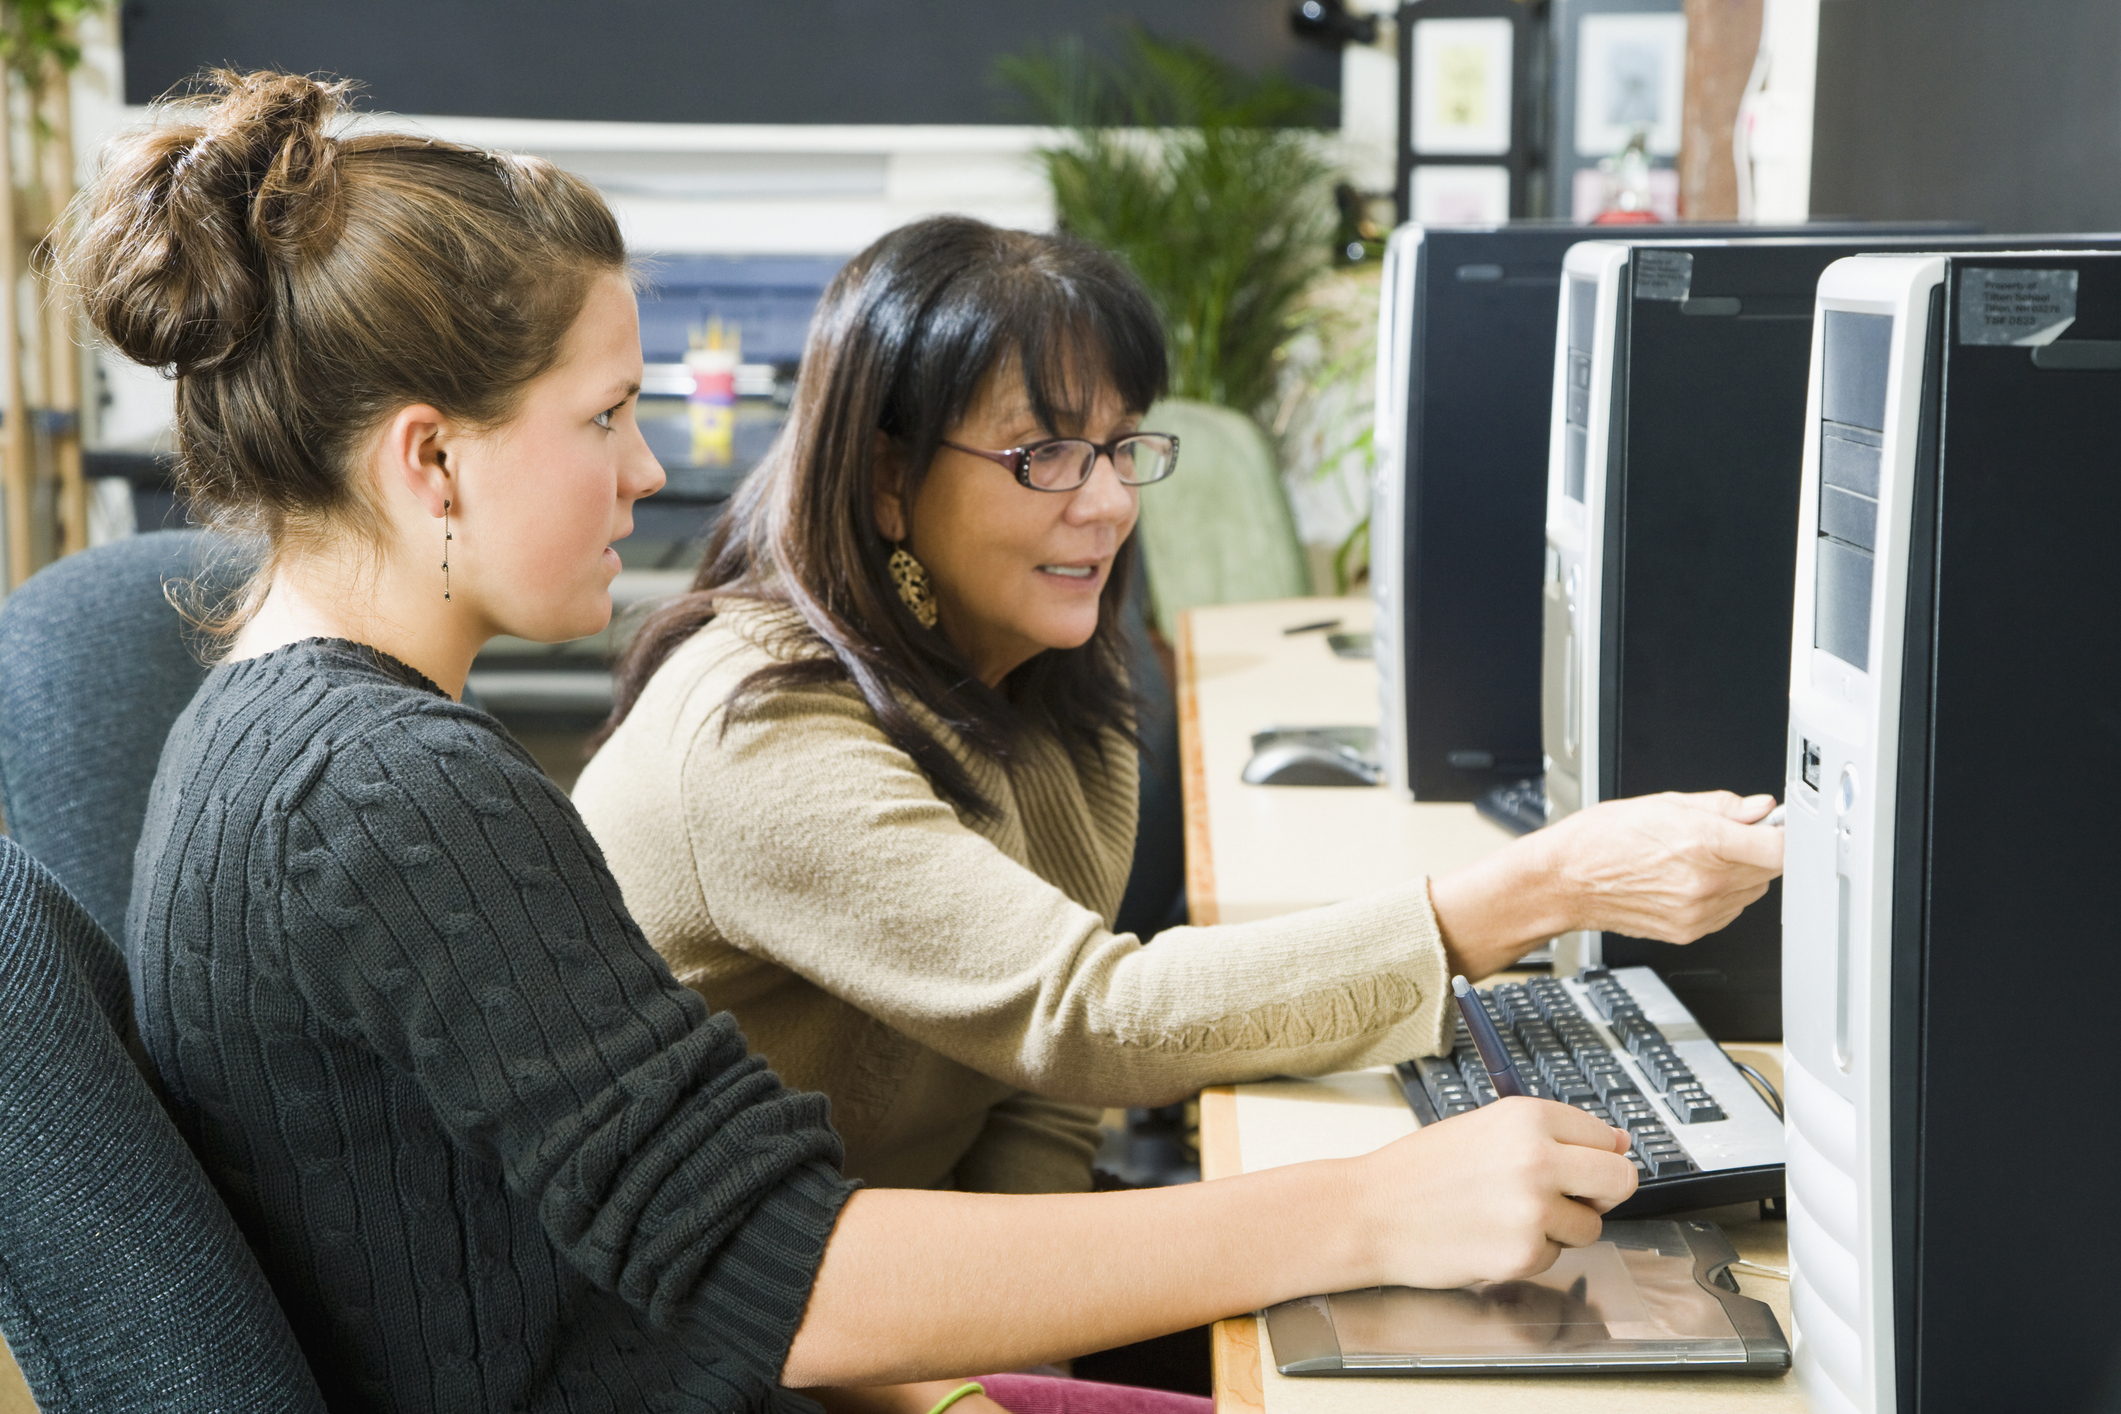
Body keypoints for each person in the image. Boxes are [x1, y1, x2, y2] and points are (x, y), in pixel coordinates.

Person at [71, 71, 1644, 1414]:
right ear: (433, 461)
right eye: (606, 417)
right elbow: (791, 1277)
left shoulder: (303, 749)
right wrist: (1368, 1207)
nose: (641, 476)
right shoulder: (385, 795)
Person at [575, 216, 1786, 1196]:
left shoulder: (1046, 684)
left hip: (904, 1315)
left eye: (1119, 447)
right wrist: (1544, 884)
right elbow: (1089, 1015)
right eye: (1044, 454)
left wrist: (1032, 1353)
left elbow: (1036, 1089)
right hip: (717, 1353)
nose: (1105, 504)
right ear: (889, 480)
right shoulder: (761, 725)